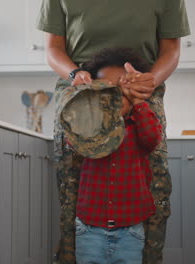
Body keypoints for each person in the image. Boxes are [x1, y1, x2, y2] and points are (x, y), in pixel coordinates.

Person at [37, 1, 190, 263]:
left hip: (141, 81)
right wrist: (77, 74)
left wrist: (147, 82)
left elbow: (171, 50)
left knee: (155, 187)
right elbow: (53, 48)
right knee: (71, 192)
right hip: (81, 85)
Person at [73, 48, 162, 264]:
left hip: (130, 232)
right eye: (107, 91)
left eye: (122, 92)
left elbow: (152, 138)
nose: (115, 97)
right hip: (89, 229)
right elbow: (74, 141)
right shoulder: (89, 127)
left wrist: (138, 99)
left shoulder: (138, 126)